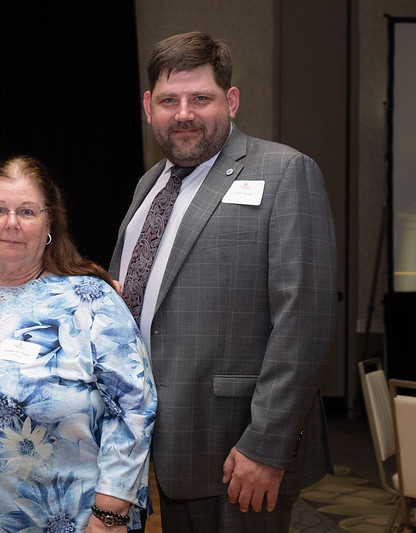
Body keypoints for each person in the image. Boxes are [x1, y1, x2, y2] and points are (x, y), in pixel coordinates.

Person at [109, 31, 337, 532]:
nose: (184, 113)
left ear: (230, 101)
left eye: (201, 98)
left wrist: (267, 444)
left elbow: (307, 321)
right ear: (149, 106)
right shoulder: (150, 184)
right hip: (166, 444)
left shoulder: (284, 172)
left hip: (240, 452)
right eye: (169, 100)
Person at [0, 155, 157, 533]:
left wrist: (110, 515)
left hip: (69, 522)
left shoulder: (92, 299)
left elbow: (134, 406)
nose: (11, 223)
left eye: (26, 211)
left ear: (49, 224)